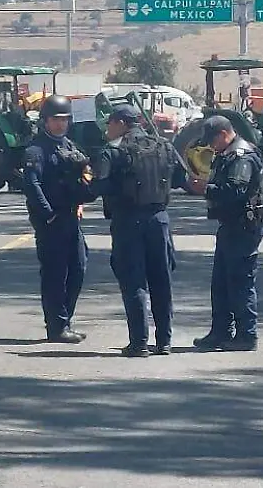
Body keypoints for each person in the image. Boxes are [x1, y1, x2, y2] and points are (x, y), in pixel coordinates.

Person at [89, 103, 198, 357]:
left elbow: (98, 187)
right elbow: (182, 178)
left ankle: (139, 342)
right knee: (161, 280)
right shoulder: (163, 145)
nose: (107, 129)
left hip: (128, 221)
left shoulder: (112, 150)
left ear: (121, 124)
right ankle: (164, 341)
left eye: (110, 123)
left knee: (133, 281)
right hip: (159, 219)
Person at [22, 94, 93, 343]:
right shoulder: (36, 150)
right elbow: (32, 185)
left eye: (64, 119)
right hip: (52, 222)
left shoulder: (69, 146)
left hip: (72, 217)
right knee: (55, 274)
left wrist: (81, 201)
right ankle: (56, 327)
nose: (60, 124)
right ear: (45, 121)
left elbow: (81, 175)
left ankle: (66, 320)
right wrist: (48, 214)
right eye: (56, 119)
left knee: (79, 268)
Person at [193, 115, 263, 352]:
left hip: (243, 227)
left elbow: (236, 189)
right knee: (221, 282)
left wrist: (206, 188)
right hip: (230, 225)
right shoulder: (227, 154)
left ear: (224, 134)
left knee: (240, 281)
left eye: (212, 140)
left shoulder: (241, 156)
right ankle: (220, 331)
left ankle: (247, 334)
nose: (211, 146)